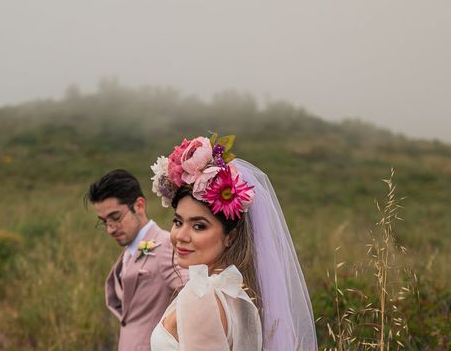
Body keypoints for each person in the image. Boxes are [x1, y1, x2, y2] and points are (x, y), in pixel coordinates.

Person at [149, 134, 318, 350]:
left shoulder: (201, 297)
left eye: (199, 225)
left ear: (230, 235)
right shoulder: (235, 294)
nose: (181, 235)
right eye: (178, 221)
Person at [87, 169, 187, 351]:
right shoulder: (132, 249)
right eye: (104, 221)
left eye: (115, 218)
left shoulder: (165, 244)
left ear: (139, 206)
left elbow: (195, 298)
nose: (110, 229)